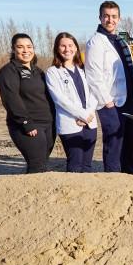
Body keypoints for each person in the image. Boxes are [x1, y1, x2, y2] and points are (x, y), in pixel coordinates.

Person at [85, 0, 133, 173]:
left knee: (129, 143)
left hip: (129, 99)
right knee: (114, 144)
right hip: (111, 103)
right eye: (106, 16)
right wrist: (107, 101)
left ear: (119, 18)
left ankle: (130, 177)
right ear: (100, 17)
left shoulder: (120, 41)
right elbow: (93, 76)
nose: (110, 20)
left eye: (114, 16)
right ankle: (114, 178)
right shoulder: (96, 42)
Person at [0, 33, 55, 173]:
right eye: (20, 47)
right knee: (37, 165)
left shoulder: (37, 71)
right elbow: (11, 100)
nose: (25, 50)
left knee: (42, 163)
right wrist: (26, 123)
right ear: (13, 49)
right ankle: (33, 192)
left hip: (48, 124)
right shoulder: (8, 72)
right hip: (29, 126)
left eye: (29, 46)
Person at [45, 32, 98, 173]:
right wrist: (81, 115)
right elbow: (60, 99)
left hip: (90, 123)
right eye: (63, 46)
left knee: (87, 165)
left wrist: (89, 114)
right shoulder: (53, 72)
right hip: (71, 123)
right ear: (57, 49)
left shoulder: (84, 70)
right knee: (75, 163)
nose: (67, 49)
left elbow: (94, 92)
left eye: (70, 45)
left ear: (76, 48)